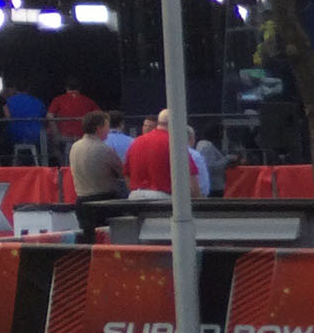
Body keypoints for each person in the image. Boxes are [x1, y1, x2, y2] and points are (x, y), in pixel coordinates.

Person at [68, 109, 125, 241]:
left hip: (82, 201)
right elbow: (122, 172)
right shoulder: (104, 149)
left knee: (88, 241)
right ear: (99, 128)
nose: (108, 130)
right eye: (107, 126)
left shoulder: (74, 147)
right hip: (104, 202)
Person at [123, 109, 205, 197]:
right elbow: (190, 178)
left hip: (135, 197)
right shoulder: (174, 143)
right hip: (164, 200)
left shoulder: (136, 142)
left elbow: (126, 174)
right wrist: (197, 201)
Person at [47, 79, 101, 163]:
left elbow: (50, 116)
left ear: (66, 87)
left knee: (51, 146)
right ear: (80, 88)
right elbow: (99, 116)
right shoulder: (88, 101)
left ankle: (62, 167)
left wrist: (56, 133)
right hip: (84, 138)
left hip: (64, 138)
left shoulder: (58, 100)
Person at [3, 85, 46, 162]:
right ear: (28, 89)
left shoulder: (8, 102)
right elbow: (44, 119)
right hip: (36, 136)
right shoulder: (37, 101)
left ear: (15, 89)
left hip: (13, 135)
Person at [183, 126, 211, 197]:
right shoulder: (194, 155)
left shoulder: (174, 153)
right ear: (191, 138)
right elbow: (201, 180)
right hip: (197, 196)